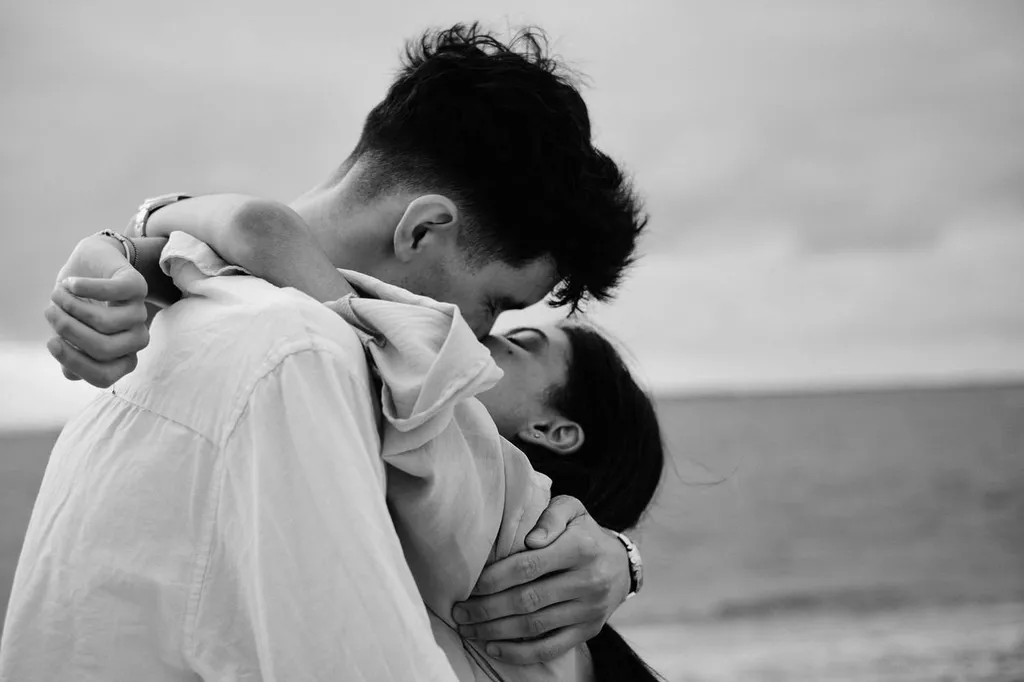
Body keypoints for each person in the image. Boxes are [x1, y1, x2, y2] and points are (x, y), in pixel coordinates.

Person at [3, 23, 648, 681]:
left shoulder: (192, 324)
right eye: (495, 307)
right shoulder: (301, 358)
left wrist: (156, 232)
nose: (476, 345)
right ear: (423, 229)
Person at [49, 203, 668, 681]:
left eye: (517, 338)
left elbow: (265, 232)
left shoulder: (474, 476)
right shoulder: (428, 492)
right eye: (499, 309)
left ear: (553, 431)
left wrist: (124, 239)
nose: (477, 335)